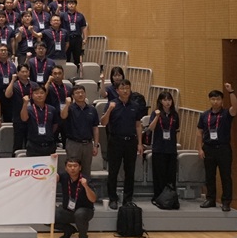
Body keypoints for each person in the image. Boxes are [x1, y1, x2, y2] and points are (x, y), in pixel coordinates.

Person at [100, 80, 144, 208]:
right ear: (117, 90)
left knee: (130, 172)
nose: (125, 91)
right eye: (122, 88)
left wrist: (140, 143)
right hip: (115, 141)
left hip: (131, 141)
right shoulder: (111, 104)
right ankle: (112, 198)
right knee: (113, 171)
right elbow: (103, 122)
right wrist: (109, 110)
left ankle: (127, 199)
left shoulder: (135, 105)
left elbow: (138, 125)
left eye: (127, 88)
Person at [199, 83, 237, 211]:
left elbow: (235, 107)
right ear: (210, 100)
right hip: (208, 148)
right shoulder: (204, 115)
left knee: (225, 176)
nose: (215, 101)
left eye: (218, 99)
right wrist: (199, 148)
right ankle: (210, 199)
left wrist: (231, 91)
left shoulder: (226, 113)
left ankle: (226, 202)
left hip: (223, 148)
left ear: (222, 101)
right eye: (213, 99)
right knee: (209, 175)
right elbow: (199, 132)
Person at [55, 158, 97, 238]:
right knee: (48, 215)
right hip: (68, 211)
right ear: (66, 168)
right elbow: (54, 177)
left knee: (79, 214)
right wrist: (52, 160)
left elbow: (93, 199)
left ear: (80, 167)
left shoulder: (86, 179)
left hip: (85, 211)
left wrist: (86, 186)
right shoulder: (64, 176)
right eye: (69, 166)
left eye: (75, 166)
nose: (72, 168)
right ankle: (68, 229)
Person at [60, 85, 100, 177]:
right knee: (72, 169)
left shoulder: (92, 109)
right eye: (77, 93)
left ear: (85, 94)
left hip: (88, 144)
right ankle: (71, 187)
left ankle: (85, 186)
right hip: (73, 144)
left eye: (82, 92)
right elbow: (63, 116)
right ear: (73, 96)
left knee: (86, 170)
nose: (80, 94)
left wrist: (95, 145)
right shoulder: (70, 108)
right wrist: (67, 104)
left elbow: (95, 128)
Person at [147, 91, 179, 203]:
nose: (167, 102)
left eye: (169, 100)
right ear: (160, 101)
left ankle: (170, 198)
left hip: (171, 149)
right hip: (159, 148)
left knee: (171, 176)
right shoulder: (155, 113)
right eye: (165, 100)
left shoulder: (175, 115)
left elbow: (176, 129)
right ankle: (158, 197)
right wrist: (157, 116)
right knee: (159, 175)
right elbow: (151, 128)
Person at [19, 85, 58, 157]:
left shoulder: (52, 109)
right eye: (36, 93)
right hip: (33, 145)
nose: (39, 95)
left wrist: (48, 132)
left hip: (49, 144)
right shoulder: (29, 109)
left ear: (45, 95)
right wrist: (25, 104)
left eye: (42, 93)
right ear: (32, 96)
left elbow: (55, 125)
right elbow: (24, 118)